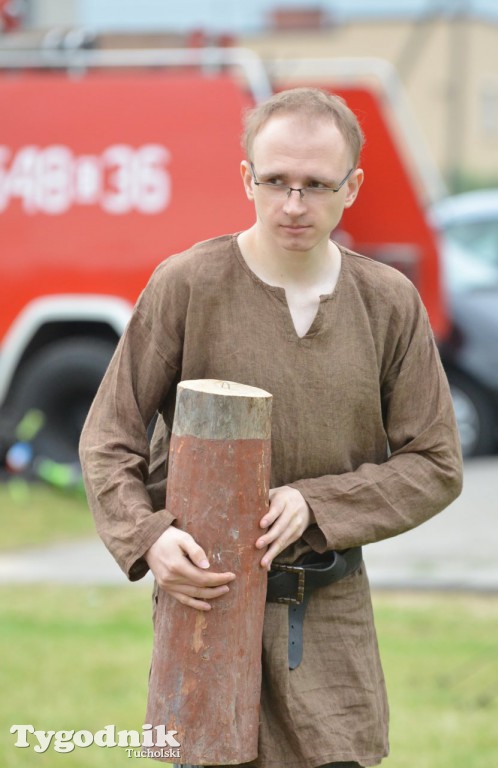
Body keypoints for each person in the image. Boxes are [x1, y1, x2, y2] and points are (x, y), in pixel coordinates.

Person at [79, 87, 463, 768]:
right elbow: (109, 438)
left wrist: (317, 503)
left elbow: (435, 463)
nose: (293, 204)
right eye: (276, 180)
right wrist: (148, 537)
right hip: (208, 612)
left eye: (316, 185)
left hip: (331, 616)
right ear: (246, 177)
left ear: (352, 188)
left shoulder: (388, 303)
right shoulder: (188, 285)